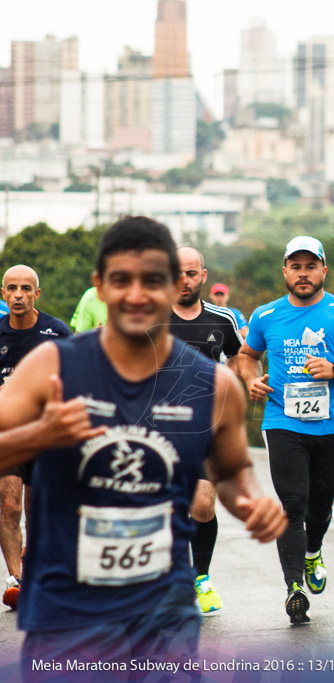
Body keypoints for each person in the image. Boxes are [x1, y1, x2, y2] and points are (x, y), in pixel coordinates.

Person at [0, 215, 285, 674]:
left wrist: (251, 502)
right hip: (71, 608)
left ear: (173, 285)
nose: (136, 294)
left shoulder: (214, 386)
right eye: (121, 280)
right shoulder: (51, 368)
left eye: (152, 280)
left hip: (163, 606)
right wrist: (40, 436)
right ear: (100, 287)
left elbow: (231, 472)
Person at [237, 236, 334, 625]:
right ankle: (294, 586)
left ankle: (313, 550)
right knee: (293, 504)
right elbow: (246, 356)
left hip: (331, 424)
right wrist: (251, 380)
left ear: (323, 270)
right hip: (282, 421)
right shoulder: (266, 316)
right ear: (285, 271)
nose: (303, 274)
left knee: (320, 508)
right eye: (296, 266)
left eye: (310, 266)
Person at [170, 247, 245, 615]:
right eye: (178, 273)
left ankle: (201, 578)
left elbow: (238, 358)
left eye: (191, 273)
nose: (184, 280)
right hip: (157, 428)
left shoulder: (222, 318)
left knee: (201, 504)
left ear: (203, 276)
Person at [0, 265, 72, 611]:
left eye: (26, 289)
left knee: (37, 511)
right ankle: (16, 580)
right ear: (3, 293)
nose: (18, 295)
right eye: (12, 288)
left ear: (36, 294)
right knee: (8, 504)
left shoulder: (56, 332)